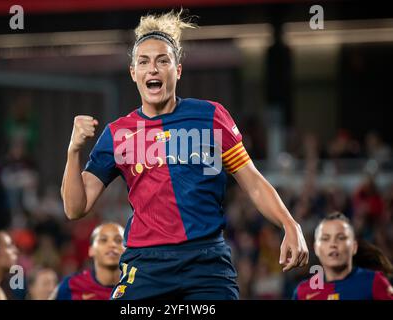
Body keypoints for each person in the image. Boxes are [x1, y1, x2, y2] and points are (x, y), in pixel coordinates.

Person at [61, 10, 308, 300]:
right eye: (144, 62)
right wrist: (73, 150)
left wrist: (290, 224)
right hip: (146, 265)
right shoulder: (118, 133)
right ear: (133, 73)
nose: (153, 69)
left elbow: (252, 182)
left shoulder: (211, 116)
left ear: (177, 70)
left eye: (163, 60)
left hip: (206, 264)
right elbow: (75, 208)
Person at [293, 212, 393, 300]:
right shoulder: (302, 292)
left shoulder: (374, 282)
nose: (333, 244)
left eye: (341, 238)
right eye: (325, 238)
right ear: (316, 248)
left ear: (354, 247)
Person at [51, 223, 124, 300]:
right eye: (103, 240)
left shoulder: (136, 287)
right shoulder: (70, 285)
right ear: (91, 250)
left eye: (118, 240)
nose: (112, 245)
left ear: (127, 250)